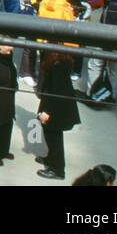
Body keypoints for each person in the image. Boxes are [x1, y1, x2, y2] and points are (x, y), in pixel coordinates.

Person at [35, 51, 80, 180]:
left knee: (54, 137)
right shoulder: (60, 61)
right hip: (56, 104)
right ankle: (51, 159)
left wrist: (47, 111)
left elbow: (56, 91)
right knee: (51, 134)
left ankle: (58, 169)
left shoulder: (57, 65)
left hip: (55, 108)